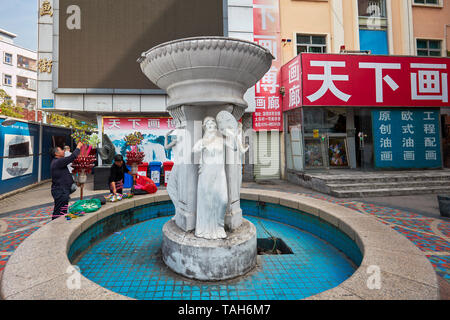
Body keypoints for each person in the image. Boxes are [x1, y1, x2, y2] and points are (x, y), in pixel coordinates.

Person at [192, 117, 228, 239]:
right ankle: (206, 228)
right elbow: (194, 149)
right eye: (208, 123)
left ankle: (219, 226)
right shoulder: (202, 141)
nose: (211, 124)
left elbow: (234, 146)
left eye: (213, 122)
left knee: (223, 200)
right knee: (207, 202)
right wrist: (203, 146)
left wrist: (231, 133)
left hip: (220, 174)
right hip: (206, 174)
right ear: (204, 127)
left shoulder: (220, 140)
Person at [50, 142, 83, 220]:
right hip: (60, 191)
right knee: (59, 212)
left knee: (62, 210)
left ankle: (59, 225)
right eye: (61, 150)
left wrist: (76, 183)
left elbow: (65, 175)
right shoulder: (58, 162)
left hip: (62, 191)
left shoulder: (58, 162)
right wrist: (78, 147)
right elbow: (72, 157)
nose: (63, 151)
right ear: (56, 153)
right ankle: (55, 226)